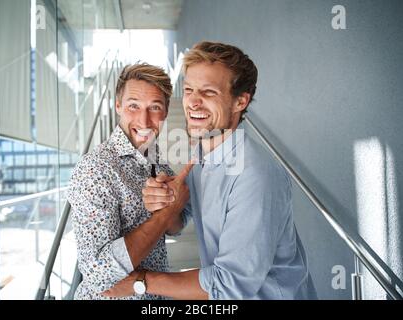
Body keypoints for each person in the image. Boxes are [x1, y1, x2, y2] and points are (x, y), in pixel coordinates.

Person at [103, 42, 317, 300]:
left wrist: (143, 280)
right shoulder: (203, 157)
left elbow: (229, 285)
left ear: (240, 101)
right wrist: (167, 204)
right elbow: (178, 224)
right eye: (189, 90)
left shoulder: (253, 175)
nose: (193, 102)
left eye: (208, 92)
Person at [67, 63, 192, 300]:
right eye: (133, 106)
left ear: (165, 112)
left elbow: (176, 228)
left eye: (154, 107)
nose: (144, 120)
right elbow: (99, 273)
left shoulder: (159, 165)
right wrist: (166, 213)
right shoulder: (96, 169)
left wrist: (170, 205)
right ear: (118, 106)